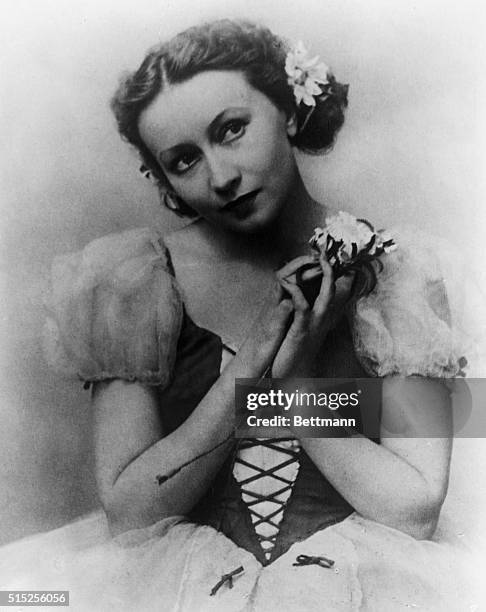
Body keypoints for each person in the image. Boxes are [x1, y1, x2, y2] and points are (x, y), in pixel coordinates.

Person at [1, 18, 479, 612]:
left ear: (289, 109)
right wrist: (246, 374)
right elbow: (130, 514)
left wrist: (293, 388)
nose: (220, 177)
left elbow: (415, 510)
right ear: (166, 181)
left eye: (232, 130)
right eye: (183, 161)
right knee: (26, 601)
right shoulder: (129, 282)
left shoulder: (405, 275)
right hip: (170, 584)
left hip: (374, 580)